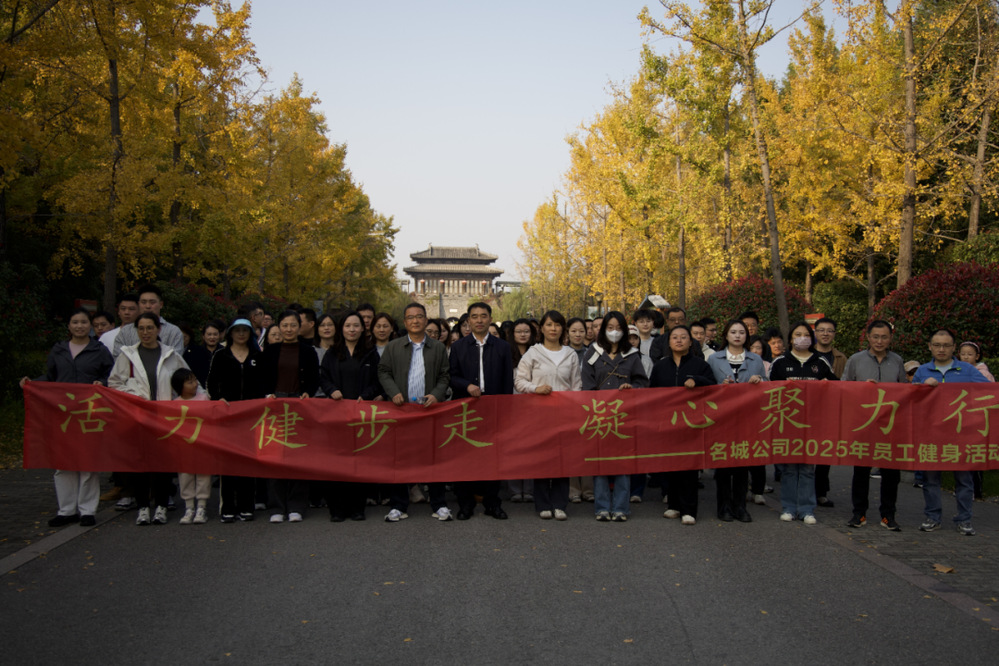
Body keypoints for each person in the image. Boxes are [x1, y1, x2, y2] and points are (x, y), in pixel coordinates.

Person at [20, 308, 113, 527]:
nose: (79, 326)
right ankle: (66, 510)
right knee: (63, 462)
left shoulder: (99, 350)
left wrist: (102, 383)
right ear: (69, 326)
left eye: (84, 322)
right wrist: (32, 383)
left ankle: (87, 510)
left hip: (89, 414)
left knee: (88, 462)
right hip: (62, 414)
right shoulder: (59, 349)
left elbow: (111, 375)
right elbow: (51, 377)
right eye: (75, 322)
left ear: (90, 326)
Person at [108, 312, 192, 526]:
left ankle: (162, 505)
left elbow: (188, 381)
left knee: (163, 464)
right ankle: (143, 506)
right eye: (141, 328)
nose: (145, 332)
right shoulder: (127, 356)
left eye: (150, 328)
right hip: (138, 418)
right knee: (141, 463)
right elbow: (114, 383)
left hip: (164, 418)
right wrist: (135, 396)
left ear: (158, 329)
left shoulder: (171, 355)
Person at [377, 302, 451, 522]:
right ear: (405, 322)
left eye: (419, 316)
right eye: (410, 317)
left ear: (426, 320)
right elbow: (383, 371)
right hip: (402, 411)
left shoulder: (437, 348)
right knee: (400, 458)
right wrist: (393, 392)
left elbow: (445, 375)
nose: (415, 321)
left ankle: (439, 503)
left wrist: (436, 394)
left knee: (434, 458)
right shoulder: (394, 347)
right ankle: (399, 505)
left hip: (429, 410)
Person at [912, 328, 989, 536]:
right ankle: (932, 517)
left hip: (961, 434)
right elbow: (911, 399)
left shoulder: (967, 370)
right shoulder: (923, 371)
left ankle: (964, 520)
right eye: (937, 345)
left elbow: (988, 392)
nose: (941, 349)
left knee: (964, 480)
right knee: (930, 479)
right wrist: (921, 386)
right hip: (930, 434)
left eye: (946, 345)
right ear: (930, 347)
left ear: (954, 347)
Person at [582, 311, 649, 522]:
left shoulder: (632, 354)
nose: (614, 332)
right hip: (600, 417)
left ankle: (621, 507)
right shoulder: (593, 352)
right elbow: (587, 384)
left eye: (618, 328)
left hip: (624, 417)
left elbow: (642, 382)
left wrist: (632, 387)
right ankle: (602, 507)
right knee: (600, 462)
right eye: (610, 328)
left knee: (623, 463)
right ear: (603, 330)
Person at [515, 310, 581, 521]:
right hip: (539, 415)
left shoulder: (570, 354)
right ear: (541, 328)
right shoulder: (533, 353)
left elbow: (577, 385)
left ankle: (560, 503)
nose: (553, 329)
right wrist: (535, 388)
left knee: (562, 458)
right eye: (549, 324)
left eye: (557, 325)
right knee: (542, 458)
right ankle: (543, 503)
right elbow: (519, 381)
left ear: (563, 329)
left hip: (564, 415)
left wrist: (573, 408)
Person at [769, 321, 837, 525]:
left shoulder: (821, 362)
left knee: (808, 468)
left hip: (813, 423)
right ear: (790, 339)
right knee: (789, 468)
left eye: (806, 335)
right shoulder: (780, 363)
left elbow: (837, 388)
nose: (802, 338)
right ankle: (789, 508)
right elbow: (768, 391)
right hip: (787, 423)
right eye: (797, 335)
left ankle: (807, 509)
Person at [449, 302, 513, 520]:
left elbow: (507, 381)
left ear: (490, 319)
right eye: (474, 316)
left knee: (492, 457)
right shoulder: (459, 347)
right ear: (468, 320)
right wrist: (466, 385)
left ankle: (492, 503)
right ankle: (465, 504)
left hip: (493, 410)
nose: (479, 320)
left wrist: (505, 411)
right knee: (465, 458)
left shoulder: (502, 347)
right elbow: (451, 376)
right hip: (466, 410)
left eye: (483, 316)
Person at [842, 320, 907, 531]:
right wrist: (862, 388)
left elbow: (904, 390)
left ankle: (888, 515)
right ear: (868, 337)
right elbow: (844, 387)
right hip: (864, 424)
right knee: (861, 471)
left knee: (891, 473)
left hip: (890, 425)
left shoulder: (897, 360)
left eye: (884, 337)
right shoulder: (856, 360)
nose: (879, 341)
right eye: (876, 337)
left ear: (890, 338)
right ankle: (858, 513)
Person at [649, 325, 716, 526]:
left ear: (690, 342)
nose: (679, 340)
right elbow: (652, 394)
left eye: (683, 337)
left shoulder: (700, 365)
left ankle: (689, 510)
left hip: (692, 424)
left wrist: (697, 380)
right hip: (668, 423)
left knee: (689, 467)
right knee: (670, 465)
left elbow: (714, 386)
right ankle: (673, 505)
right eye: (675, 337)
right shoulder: (660, 366)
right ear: (669, 342)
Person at [260, 310, 320, 523]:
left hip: (299, 406)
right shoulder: (270, 350)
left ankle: (296, 505)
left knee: (298, 456)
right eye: (284, 325)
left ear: (299, 327)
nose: (288, 329)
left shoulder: (308, 351)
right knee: (275, 457)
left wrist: (308, 393)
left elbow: (314, 378)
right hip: (275, 406)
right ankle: (277, 506)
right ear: (279, 326)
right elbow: (262, 377)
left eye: (293, 325)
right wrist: (268, 393)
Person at [707, 320, 767, 522]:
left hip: (747, 418)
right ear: (726, 335)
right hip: (722, 418)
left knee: (742, 464)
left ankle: (740, 506)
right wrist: (720, 385)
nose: (738, 335)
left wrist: (759, 381)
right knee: (724, 465)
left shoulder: (755, 359)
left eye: (741, 332)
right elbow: (707, 387)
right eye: (733, 332)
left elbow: (767, 383)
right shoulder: (714, 358)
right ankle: (724, 506)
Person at [319, 311, 376, 522]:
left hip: (361, 414)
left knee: (359, 461)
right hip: (337, 414)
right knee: (336, 461)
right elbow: (323, 377)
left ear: (362, 329)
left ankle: (357, 507)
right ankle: (337, 508)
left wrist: (366, 395)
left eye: (356, 325)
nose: (352, 330)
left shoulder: (370, 353)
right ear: (341, 329)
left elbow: (378, 379)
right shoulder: (332, 353)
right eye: (348, 326)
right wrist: (331, 390)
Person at [206, 317, 264, 523]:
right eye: (237, 330)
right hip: (227, 416)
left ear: (250, 334)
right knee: (228, 462)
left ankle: (247, 506)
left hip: (251, 417)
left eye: (245, 330)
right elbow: (212, 382)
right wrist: (218, 398)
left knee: (248, 461)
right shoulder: (221, 355)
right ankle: (228, 507)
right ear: (230, 333)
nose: (241, 334)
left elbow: (265, 383)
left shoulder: (258, 356)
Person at [812, 317, 847, 509]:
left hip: (831, 409)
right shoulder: (807, 355)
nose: (825, 334)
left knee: (825, 451)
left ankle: (821, 492)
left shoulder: (841, 358)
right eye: (821, 330)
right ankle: (804, 490)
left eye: (830, 330)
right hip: (809, 409)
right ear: (815, 333)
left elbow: (847, 383)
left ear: (834, 334)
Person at [170, 368, 211, 524]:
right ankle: (189, 507)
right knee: (185, 475)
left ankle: (201, 506)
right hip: (184, 447)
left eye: (194, 380)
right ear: (179, 386)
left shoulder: (204, 398)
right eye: (189, 382)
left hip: (202, 444)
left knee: (203, 474)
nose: (194, 384)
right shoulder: (175, 404)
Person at [112, 284, 184, 358]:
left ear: (161, 304)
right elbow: (119, 359)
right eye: (143, 302)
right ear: (139, 304)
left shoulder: (173, 332)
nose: (148, 306)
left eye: (152, 302)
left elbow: (175, 360)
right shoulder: (125, 332)